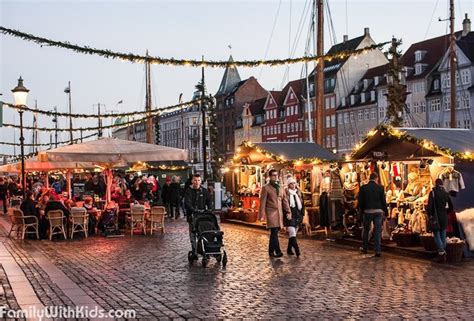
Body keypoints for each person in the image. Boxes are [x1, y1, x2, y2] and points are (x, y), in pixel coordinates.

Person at [259, 169, 291, 258]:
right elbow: (263, 202)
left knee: (274, 233)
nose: (275, 177)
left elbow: (284, 201)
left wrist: (288, 211)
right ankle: (278, 251)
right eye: (273, 175)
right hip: (271, 213)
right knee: (274, 231)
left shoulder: (280, 187)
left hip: (279, 213)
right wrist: (261, 215)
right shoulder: (266, 188)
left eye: (276, 175)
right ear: (270, 176)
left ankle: (271, 251)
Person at [358, 172, 388, 257]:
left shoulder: (363, 188)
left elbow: (361, 202)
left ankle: (365, 248)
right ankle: (377, 251)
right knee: (377, 231)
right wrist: (386, 212)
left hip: (367, 211)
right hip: (378, 212)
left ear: (369, 178)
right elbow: (383, 201)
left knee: (366, 230)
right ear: (376, 178)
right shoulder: (380, 188)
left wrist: (362, 211)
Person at [184, 174, 211, 259]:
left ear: (200, 181)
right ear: (192, 181)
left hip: (202, 216)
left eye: (198, 180)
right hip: (192, 216)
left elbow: (209, 201)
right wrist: (193, 209)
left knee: (203, 233)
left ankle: (204, 249)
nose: (197, 182)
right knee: (193, 235)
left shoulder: (204, 191)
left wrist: (209, 210)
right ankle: (194, 251)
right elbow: (187, 203)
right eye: (195, 180)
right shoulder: (188, 191)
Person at [427, 178, 454, 263]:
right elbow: (451, 207)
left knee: (436, 234)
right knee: (443, 234)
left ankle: (442, 252)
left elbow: (430, 206)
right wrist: (446, 212)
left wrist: (430, 215)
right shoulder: (446, 194)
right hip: (444, 216)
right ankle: (441, 253)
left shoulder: (433, 193)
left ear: (435, 184)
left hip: (436, 216)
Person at [284, 177, 304, 257]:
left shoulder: (298, 193)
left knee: (293, 234)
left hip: (297, 216)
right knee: (292, 233)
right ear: (289, 185)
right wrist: (286, 214)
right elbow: (284, 205)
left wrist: (302, 215)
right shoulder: (286, 194)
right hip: (290, 216)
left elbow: (303, 205)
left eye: (294, 183)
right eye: (291, 183)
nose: (294, 185)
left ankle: (289, 249)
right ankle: (297, 250)